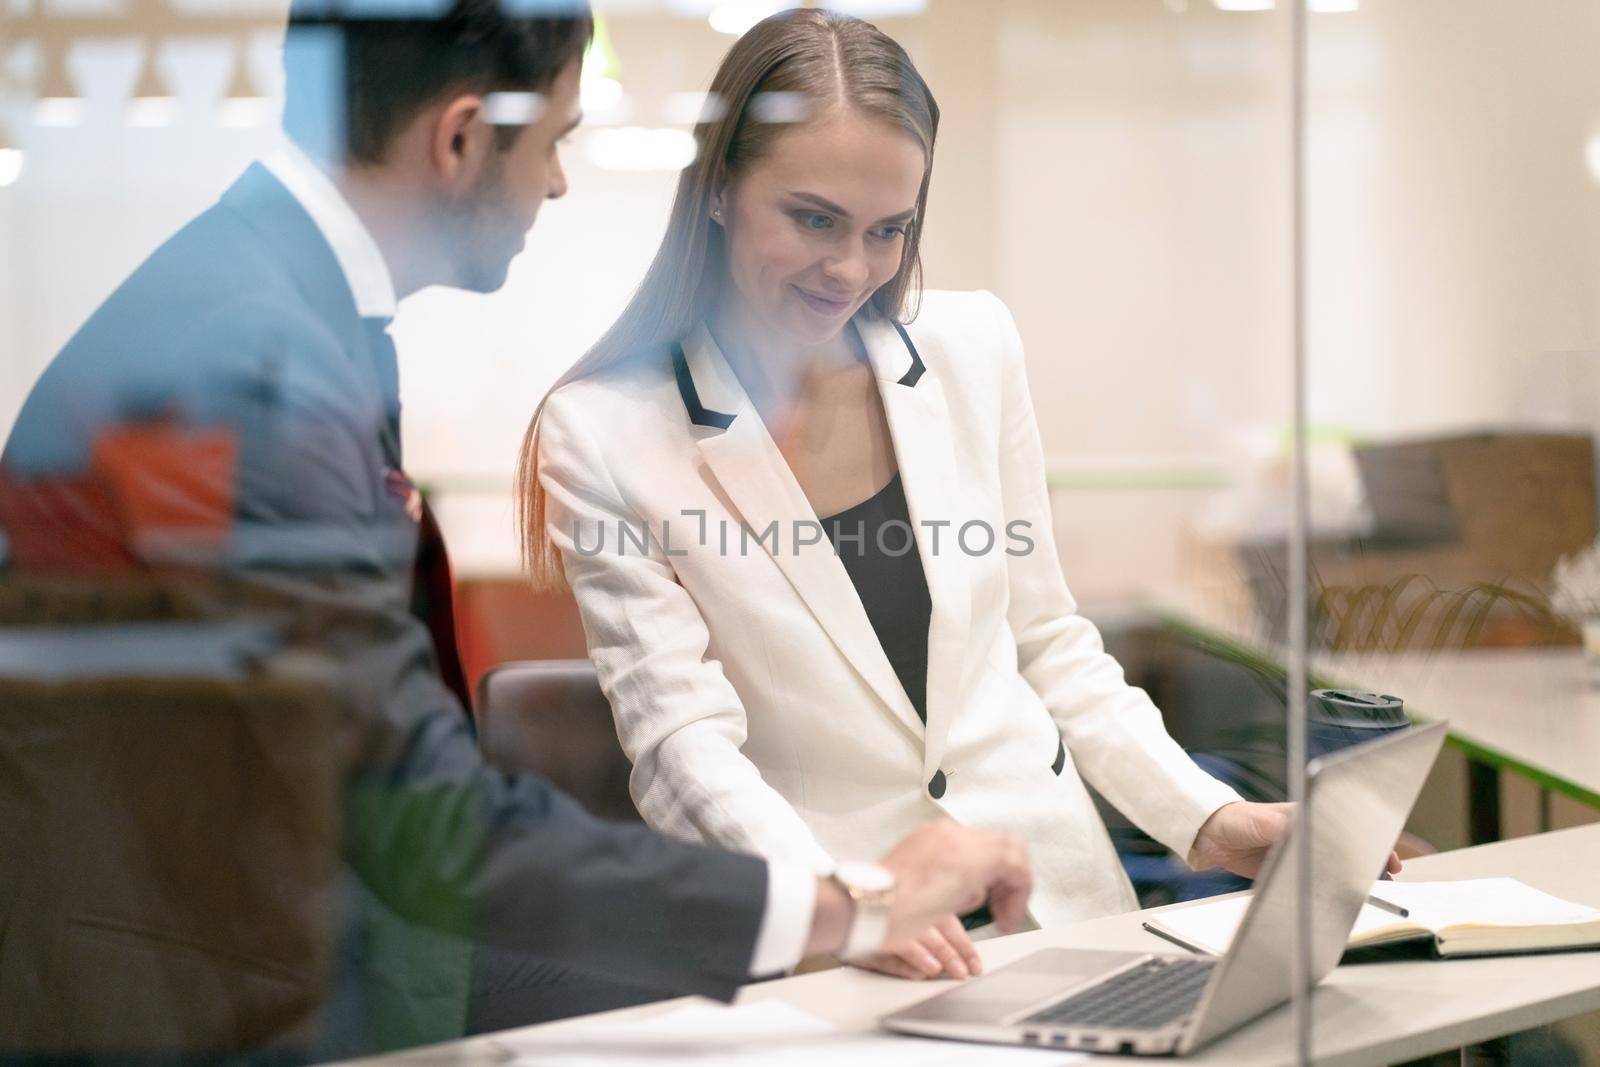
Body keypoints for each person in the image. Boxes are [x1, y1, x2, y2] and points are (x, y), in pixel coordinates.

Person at [0, 1, 1034, 1059]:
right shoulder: (252, 367)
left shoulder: (279, 309)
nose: (556, 181)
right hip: (198, 983)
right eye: (554, 140)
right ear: (459, 138)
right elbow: (426, 825)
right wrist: (852, 903)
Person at [523, 8, 1396, 986]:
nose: (851, 269)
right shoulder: (604, 429)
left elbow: (1046, 642)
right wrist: (849, 904)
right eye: (812, 218)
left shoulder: (972, 350)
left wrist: (1205, 816)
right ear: (720, 188)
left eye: (887, 229)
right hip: (843, 947)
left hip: (1059, 911)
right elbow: (680, 744)